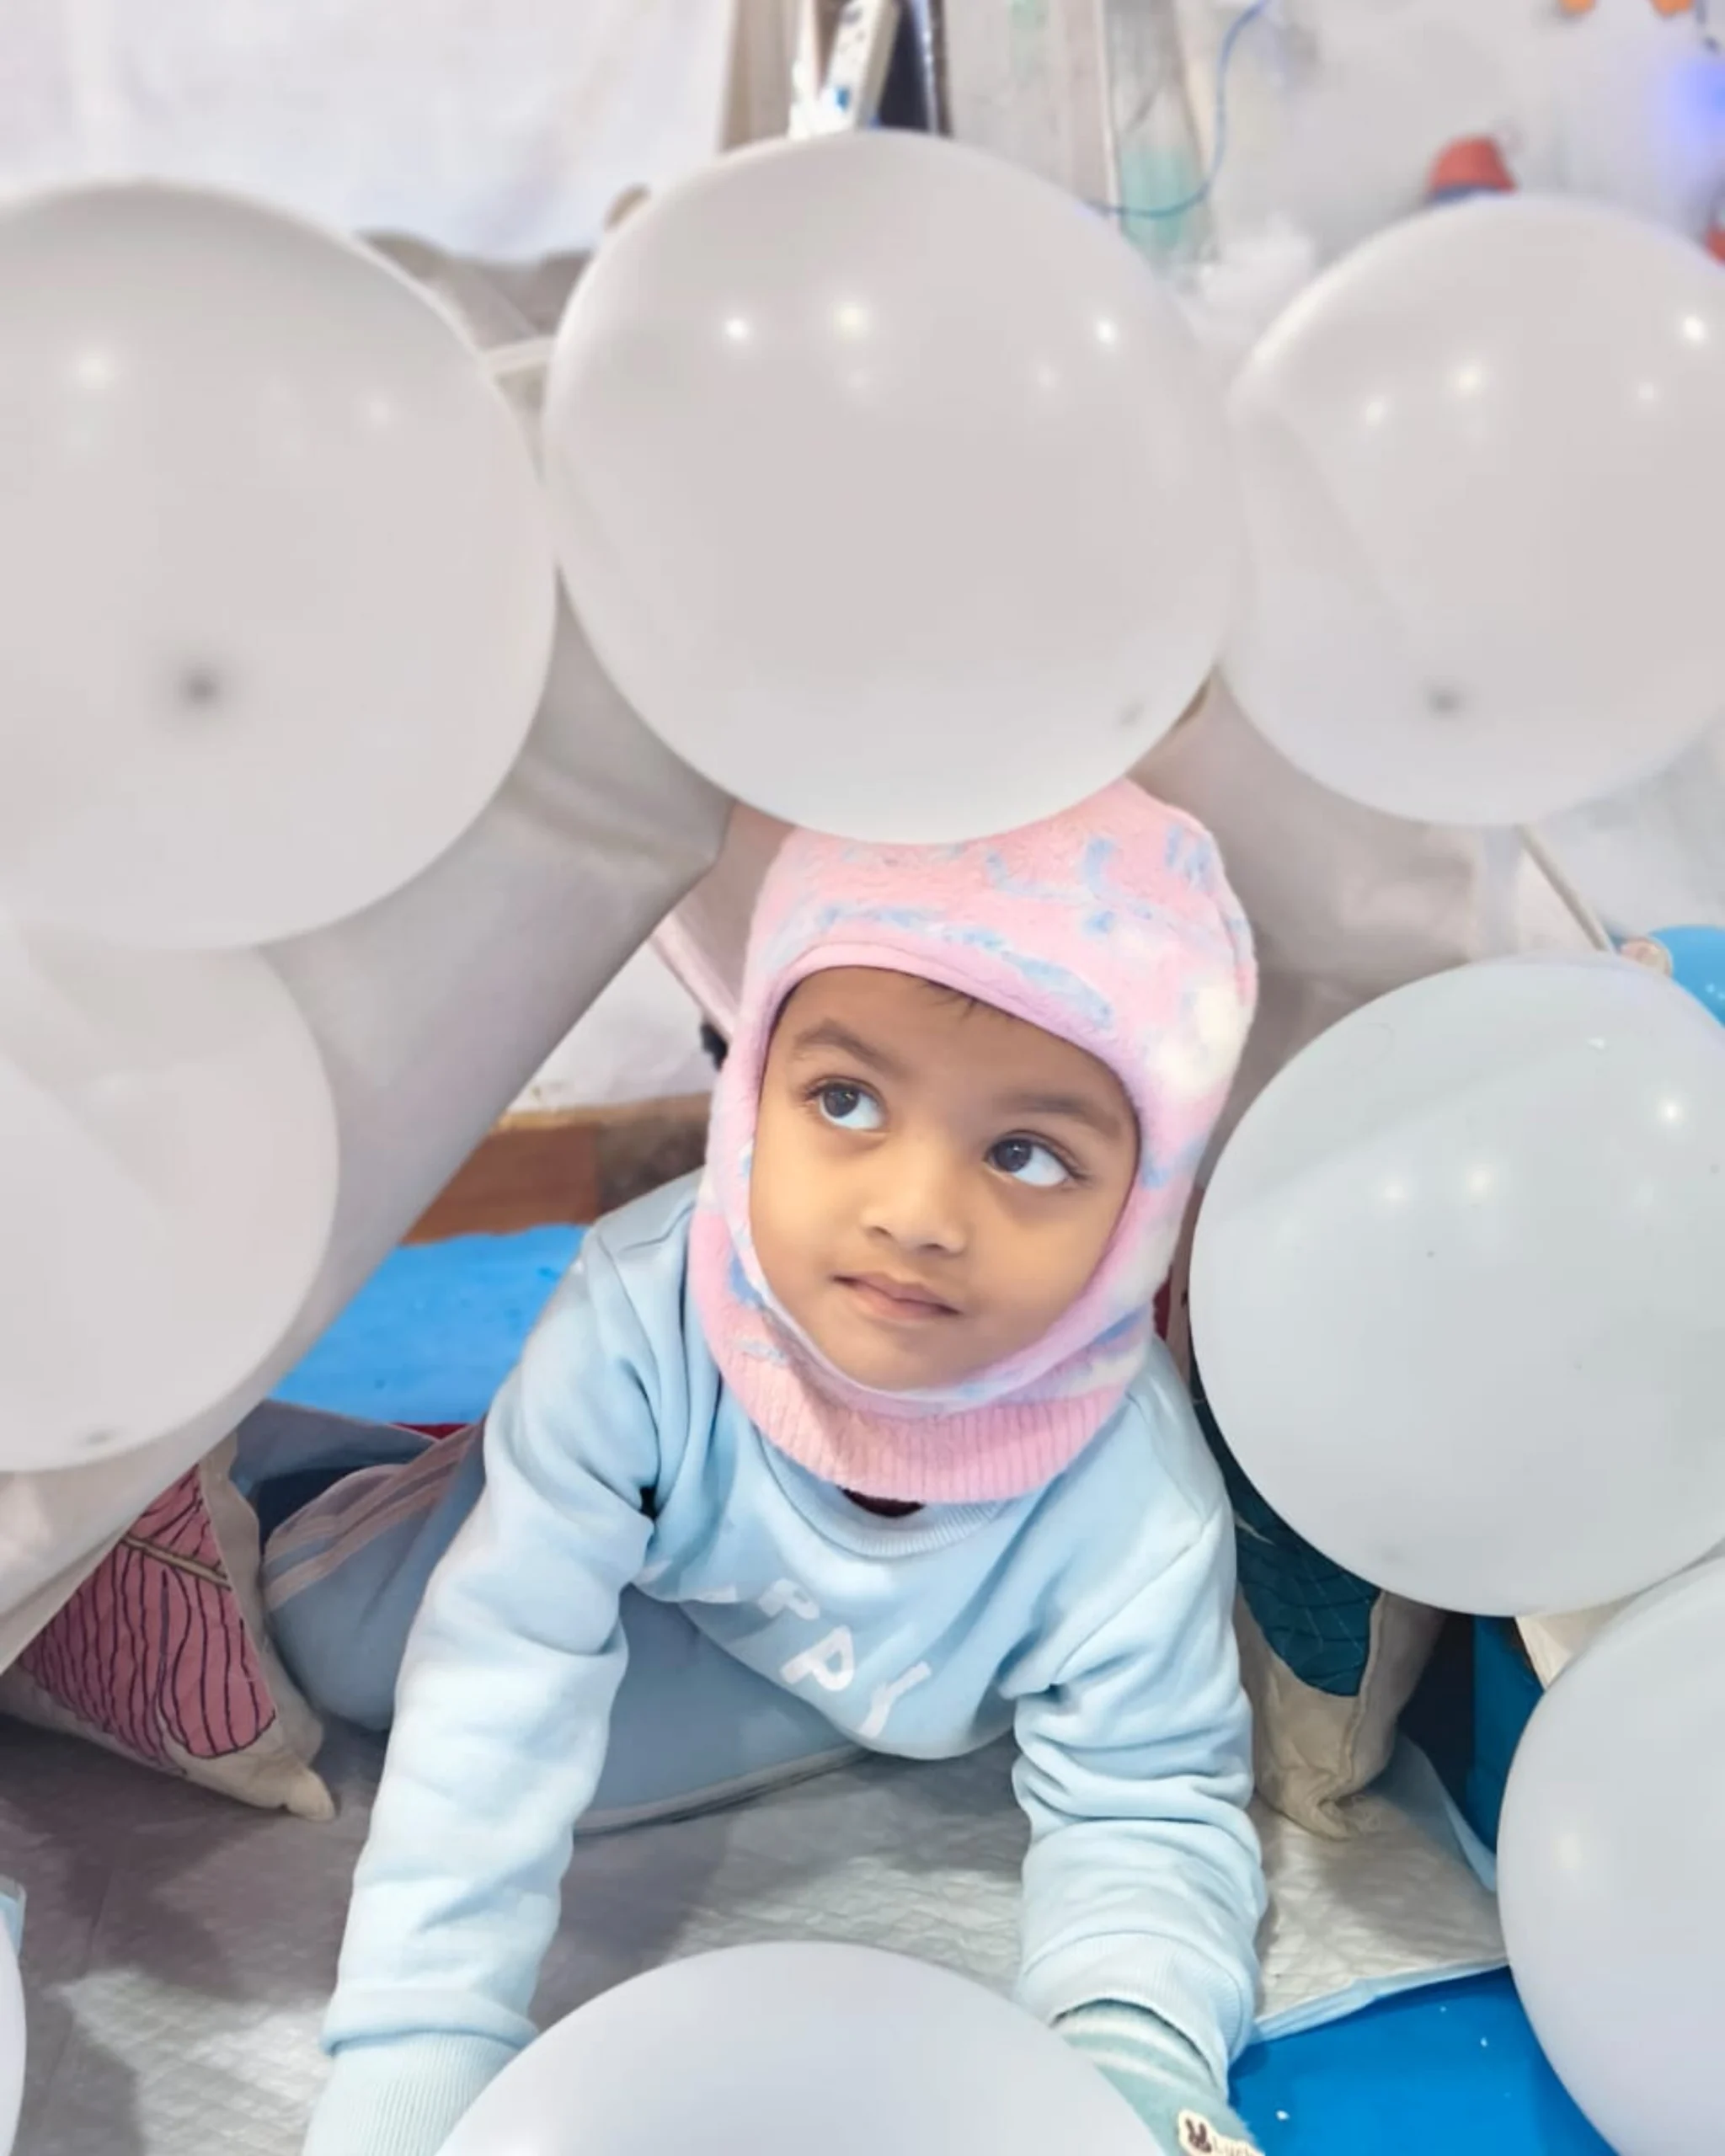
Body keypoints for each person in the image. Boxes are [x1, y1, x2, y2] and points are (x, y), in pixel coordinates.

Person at [270, 779, 1268, 2156]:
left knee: (658, 1769)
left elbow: (1150, 1803)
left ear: (1143, 1212)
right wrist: (417, 2057)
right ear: (748, 1095)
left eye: (1028, 1156)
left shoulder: (1135, 1494)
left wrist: (1133, 2063)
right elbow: (498, 1686)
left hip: (809, 1666)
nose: (915, 1214)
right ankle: (299, 1483)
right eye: (846, 1100)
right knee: (337, 1640)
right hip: (645, 1572)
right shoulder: (638, 1324)